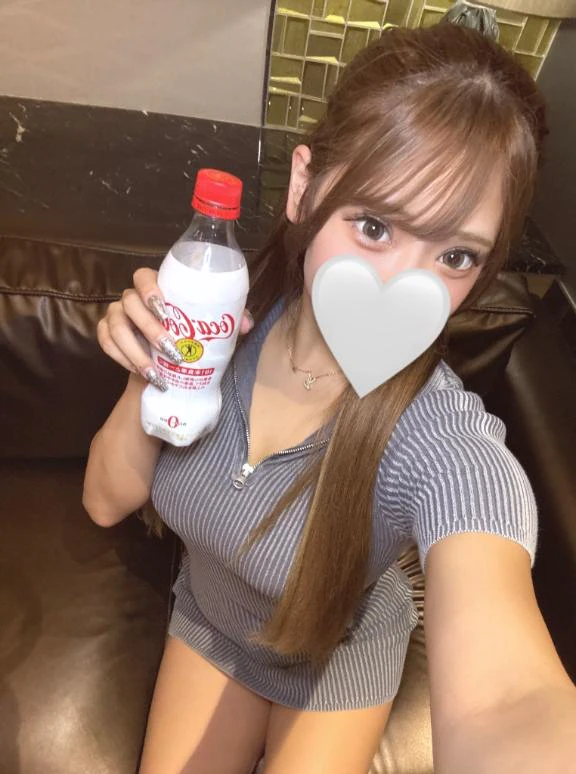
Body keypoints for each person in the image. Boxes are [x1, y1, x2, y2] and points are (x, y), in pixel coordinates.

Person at [83, 23, 576, 774]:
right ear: (304, 187)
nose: (402, 286)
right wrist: (147, 374)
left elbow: (509, 699)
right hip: (212, 622)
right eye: (374, 226)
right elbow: (104, 501)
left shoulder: (438, 439)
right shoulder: (214, 324)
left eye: (455, 255)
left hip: (337, 657)